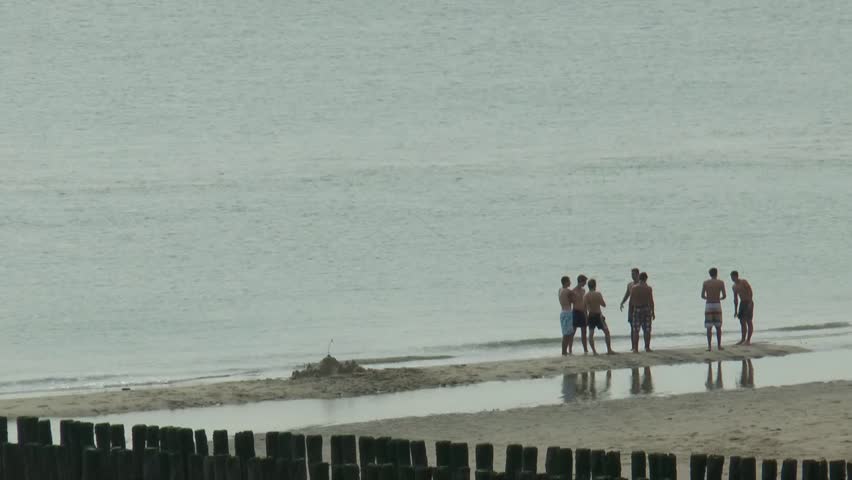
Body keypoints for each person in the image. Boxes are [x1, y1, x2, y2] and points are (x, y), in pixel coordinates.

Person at [584, 279, 615, 355]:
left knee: (591, 333)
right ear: (595, 285)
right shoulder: (598, 294)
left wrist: (586, 318)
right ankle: (609, 350)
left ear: (588, 286)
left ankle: (594, 351)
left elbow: (585, 308)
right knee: (606, 332)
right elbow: (603, 304)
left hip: (591, 315)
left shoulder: (586, 295)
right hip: (598, 315)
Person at [702, 267, 727, 351]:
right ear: (717, 273)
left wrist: (708, 297)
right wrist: (718, 298)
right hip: (717, 304)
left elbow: (702, 296)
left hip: (709, 304)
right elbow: (724, 296)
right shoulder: (720, 283)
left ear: (710, 274)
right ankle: (719, 346)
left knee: (709, 327)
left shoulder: (705, 283)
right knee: (718, 326)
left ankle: (709, 346)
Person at [630, 272, 655, 352]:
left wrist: (631, 311)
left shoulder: (634, 288)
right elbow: (651, 301)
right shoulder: (648, 288)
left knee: (636, 330)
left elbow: (631, 301)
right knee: (647, 329)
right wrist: (653, 311)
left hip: (637, 309)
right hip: (646, 309)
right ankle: (647, 347)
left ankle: (635, 349)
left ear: (639, 278)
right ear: (645, 279)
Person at [730, 271, 755, 345]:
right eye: (731, 277)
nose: (732, 278)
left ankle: (748, 340)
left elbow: (750, 291)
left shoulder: (743, 282)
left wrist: (750, 302)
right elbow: (735, 299)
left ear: (736, 276)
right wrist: (735, 310)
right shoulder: (734, 287)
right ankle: (743, 339)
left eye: (732, 277)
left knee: (748, 321)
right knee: (742, 322)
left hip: (748, 301)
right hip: (742, 303)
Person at [619, 268, 641, 349]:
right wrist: (622, 302)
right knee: (632, 327)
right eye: (632, 274)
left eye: (634, 274)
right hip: (631, 307)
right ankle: (633, 346)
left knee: (640, 327)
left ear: (638, 274)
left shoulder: (641, 284)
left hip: (639, 306)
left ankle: (642, 346)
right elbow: (627, 295)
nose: (632, 276)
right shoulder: (630, 285)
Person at [571, 275, 590, 354]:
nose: (585, 283)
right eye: (584, 282)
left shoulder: (583, 290)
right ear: (580, 281)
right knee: (573, 332)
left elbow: (585, 303)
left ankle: (585, 349)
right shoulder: (573, 291)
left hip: (583, 312)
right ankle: (569, 349)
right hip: (575, 312)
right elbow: (571, 302)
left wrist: (587, 314)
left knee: (584, 332)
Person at [558, 276, 575, 356]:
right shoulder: (568, 291)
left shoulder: (560, 290)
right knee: (567, 334)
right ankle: (564, 351)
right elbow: (575, 296)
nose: (570, 283)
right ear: (565, 282)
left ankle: (564, 350)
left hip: (562, 312)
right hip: (567, 312)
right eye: (569, 281)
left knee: (566, 333)